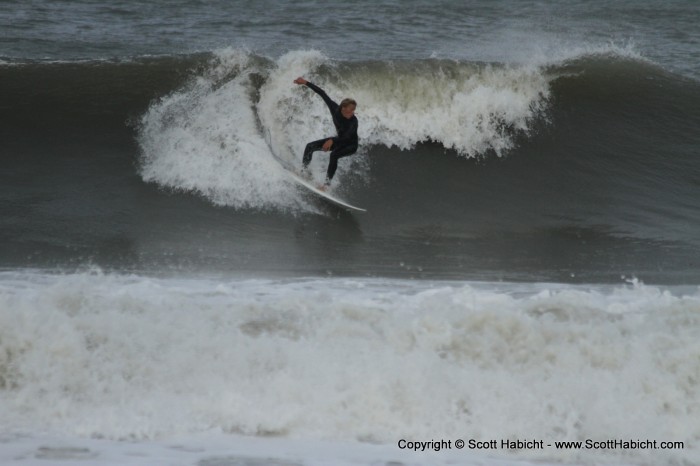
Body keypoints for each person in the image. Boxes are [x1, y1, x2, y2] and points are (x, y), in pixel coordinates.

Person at [293, 77, 358, 190]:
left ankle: (326, 186)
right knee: (310, 146)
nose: (352, 113)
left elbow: (346, 136)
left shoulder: (353, 121)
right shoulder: (335, 109)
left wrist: (332, 140)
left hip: (350, 145)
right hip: (338, 141)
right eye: (350, 110)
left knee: (334, 155)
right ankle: (303, 171)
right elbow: (322, 93)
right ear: (343, 108)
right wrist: (305, 82)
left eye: (353, 111)